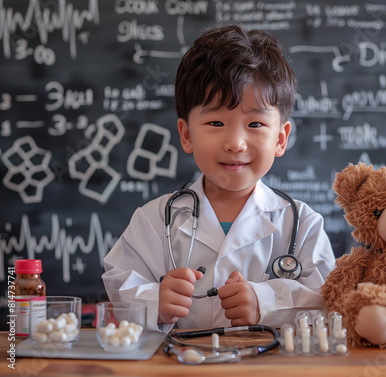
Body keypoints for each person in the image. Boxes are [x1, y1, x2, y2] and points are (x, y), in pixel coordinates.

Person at [102, 24, 335, 333]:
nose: (235, 142)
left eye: (254, 123)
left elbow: (328, 303)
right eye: (215, 122)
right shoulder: (154, 220)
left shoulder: (302, 223)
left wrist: (265, 301)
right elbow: (120, 287)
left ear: (281, 138)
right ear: (186, 135)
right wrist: (154, 302)